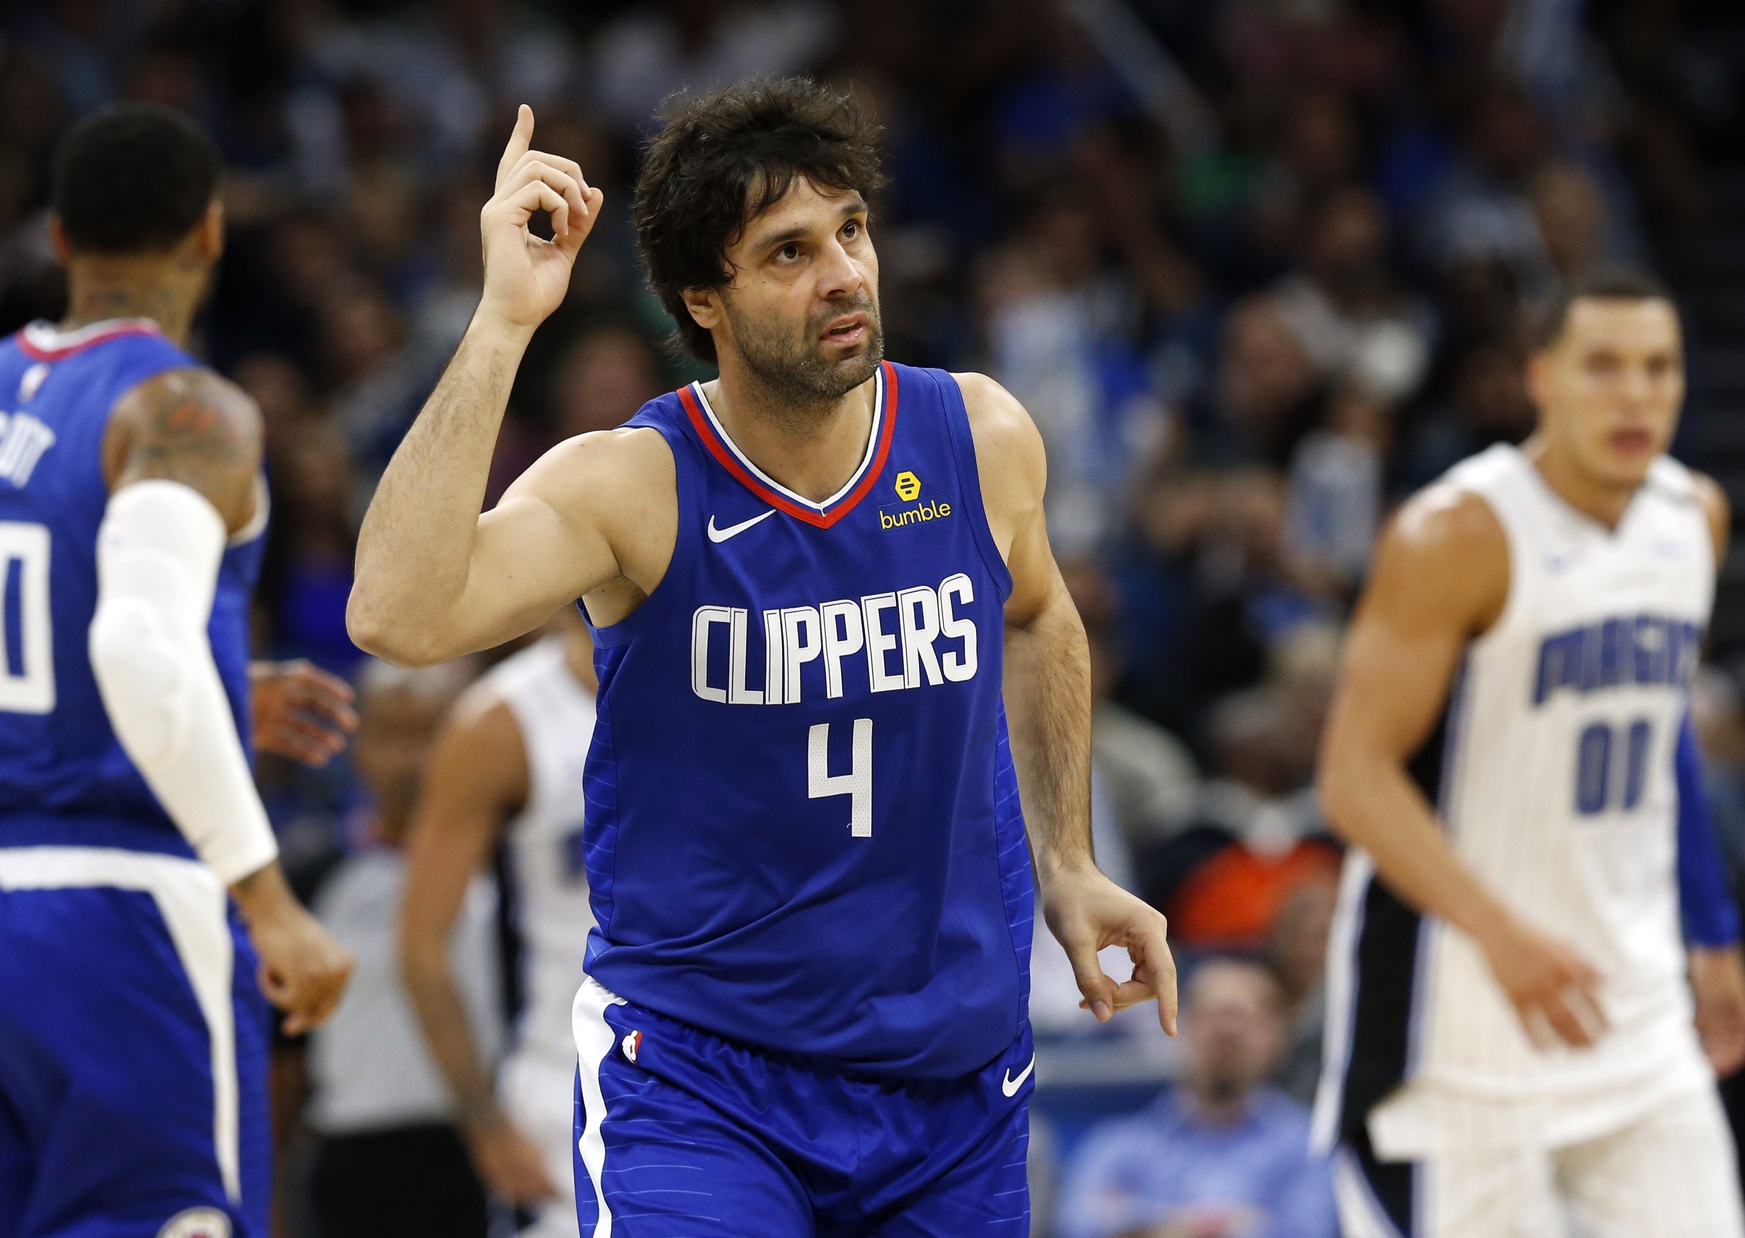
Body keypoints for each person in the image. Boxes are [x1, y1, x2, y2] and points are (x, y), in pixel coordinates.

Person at [348, 79, 1177, 1237]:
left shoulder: (978, 435)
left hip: (951, 1079)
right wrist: (502, 322)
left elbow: (1037, 615)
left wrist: (1068, 857)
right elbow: (395, 613)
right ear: (707, 298)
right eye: (789, 251)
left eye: (851, 231)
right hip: (704, 1082)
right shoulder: (636, 483)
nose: (843, 273)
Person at [0, 104, 354, 1238]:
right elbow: (138, 646)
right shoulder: (185, 408)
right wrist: (267, 899)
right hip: (112, 914)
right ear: (210, 232)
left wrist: (207, 701)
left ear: (59, 238)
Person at [1314, 267, 1745, 1237]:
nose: (1634, 395)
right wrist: (1500, 932)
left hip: (1635, 1018)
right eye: (1603, 366)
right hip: (1455, 1037)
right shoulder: (1456, 533)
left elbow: (1659, 732)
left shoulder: (1694, 518)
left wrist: (1712, 930)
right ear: (1541, 378)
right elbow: (1353, 778)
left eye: (1658, 368)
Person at [400, 611, 598, 1237]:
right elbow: (422, 948)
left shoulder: (731, 687)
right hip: (563, 1094)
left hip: (724, 1079)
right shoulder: (501, 723)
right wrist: (485, 1124)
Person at [294, 659, 498, 1238]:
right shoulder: (315, 877)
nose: (409, 760)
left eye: (429, 733)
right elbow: (281, 1058)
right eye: (389, 735)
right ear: (356, 744)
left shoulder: (510, 867)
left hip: (491, 1149)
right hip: (355, 1157)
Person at [1055, 957, 1336, 1238]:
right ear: (1177, 1024)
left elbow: (1309, 1230)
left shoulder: (1311, 1147)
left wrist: (1141, 1222)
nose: (1228, 1030)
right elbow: (1081, 1226)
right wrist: (1224, 1224)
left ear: (1279, 1037)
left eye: (1248, 1018)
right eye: (1212, 1015)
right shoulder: (1118, 1145)